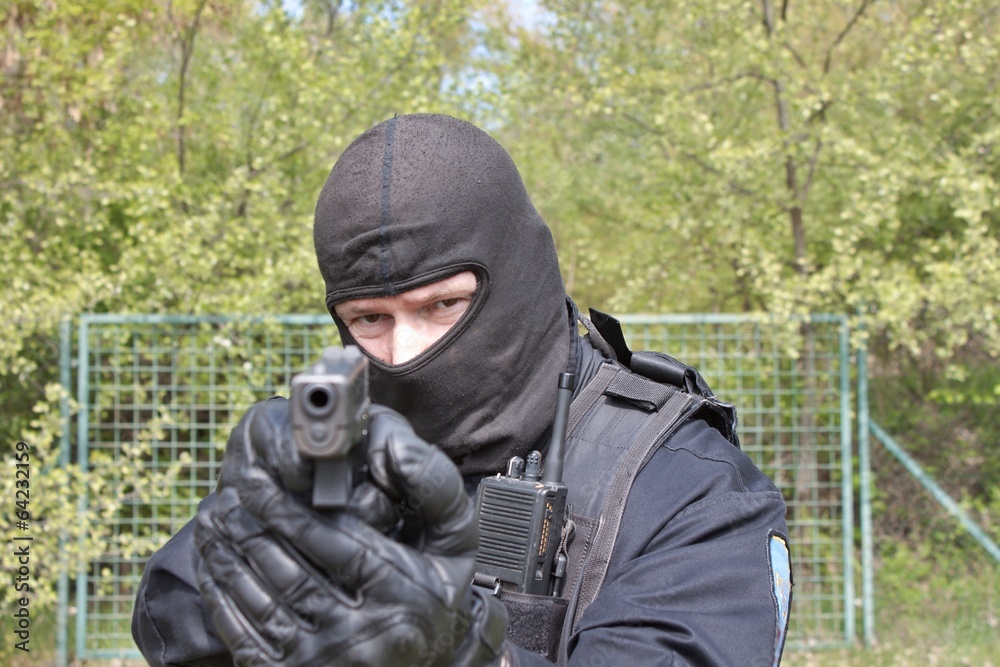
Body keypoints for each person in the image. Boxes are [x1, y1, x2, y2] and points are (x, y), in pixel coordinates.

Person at [132, 113, 792, 667]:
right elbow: (171, 619)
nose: (405, 352)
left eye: (443, 304)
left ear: (518, 274)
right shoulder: (326, 453)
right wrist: (249, 536)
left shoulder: (684, 482)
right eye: (370, 319)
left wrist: (467, 652)